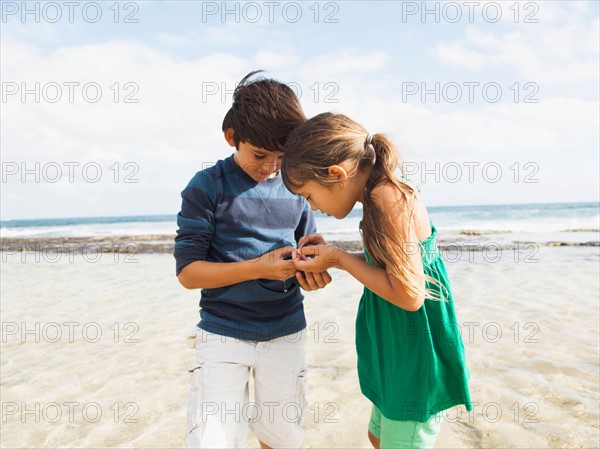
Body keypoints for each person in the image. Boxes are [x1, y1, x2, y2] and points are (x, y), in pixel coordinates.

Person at [281, 113, 472, 449]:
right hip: (397, 351)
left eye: (309, 196)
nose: (312, 208)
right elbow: (389, 272)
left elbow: (410, 295)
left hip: (414, 355)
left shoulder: (387, 198)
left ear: (336, 174)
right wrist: (334, 255)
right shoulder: (374, 196)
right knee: (378, 436)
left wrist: (339, 259)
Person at [174, 71, 331, 449]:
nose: (270, 168)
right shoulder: (207, 186)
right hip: (222, 332)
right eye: (260, 155)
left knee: (281, 439)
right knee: (212, 440)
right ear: (232, 137)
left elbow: (303, 247)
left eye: (280, 158)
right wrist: (259, 268)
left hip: (287, 330)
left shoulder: (296, 186)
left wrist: (314, 267)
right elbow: (188, 274)